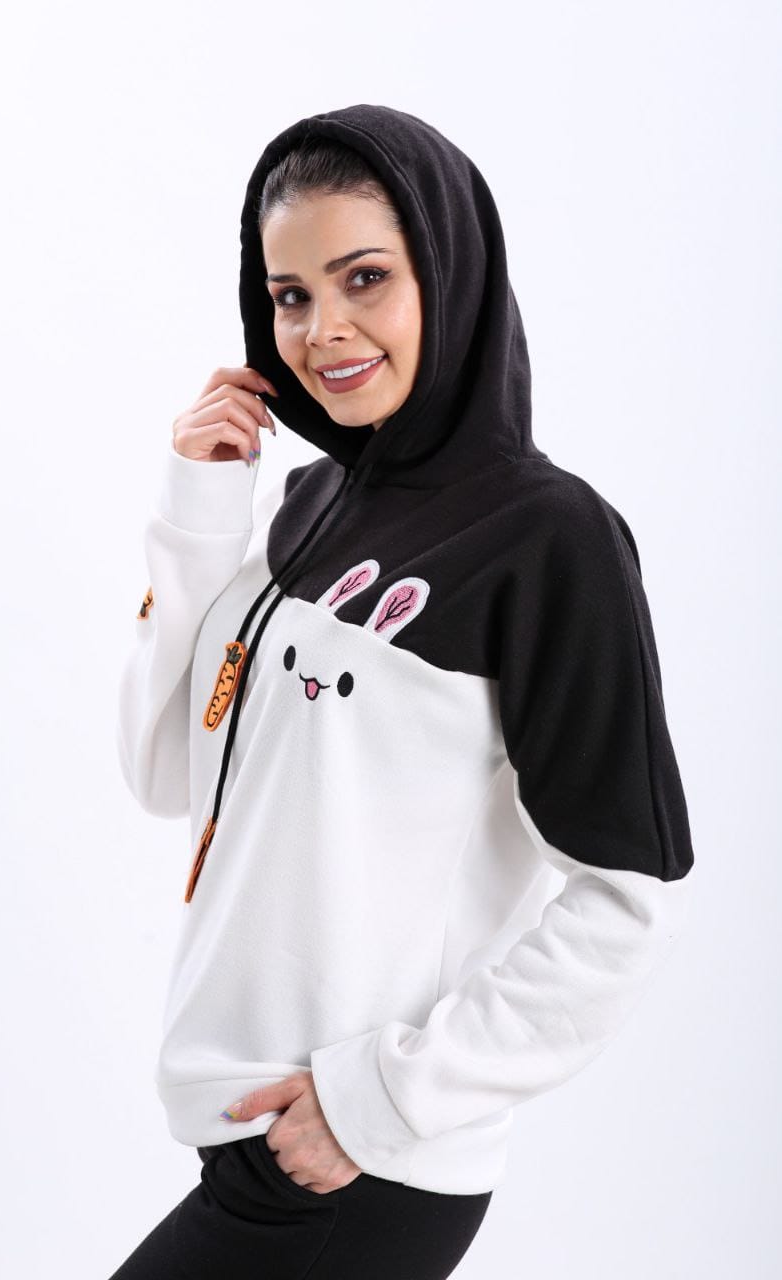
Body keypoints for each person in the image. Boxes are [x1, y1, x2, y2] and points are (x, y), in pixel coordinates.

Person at [110, 103, 695, 1279]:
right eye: (289, 294)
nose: (322, 329)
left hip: (356, 1165)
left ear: (449, 269)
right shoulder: (309, 505)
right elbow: (168, 773)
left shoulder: (549, 539)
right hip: (256, 1137)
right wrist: (199, 514)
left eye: (364, 277)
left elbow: (624, 900)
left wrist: (377, 1097)